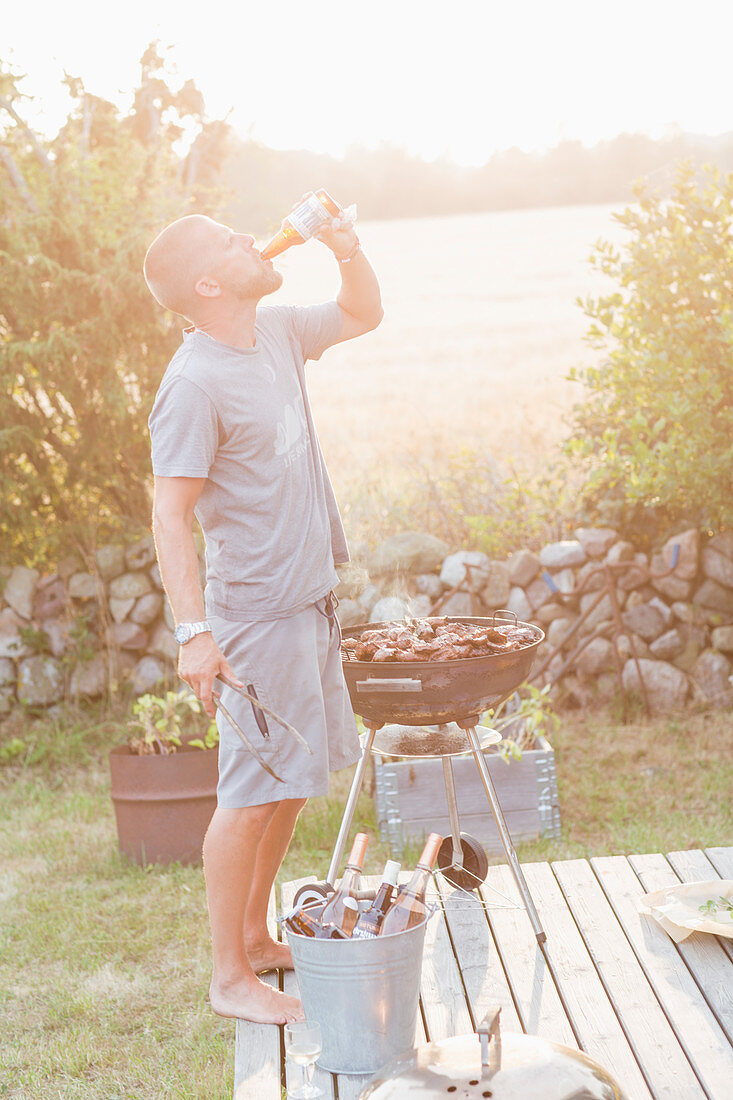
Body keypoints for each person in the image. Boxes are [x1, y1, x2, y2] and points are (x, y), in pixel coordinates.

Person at [142, 203, 383, 1025]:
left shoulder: (276, 330)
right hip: (253, 618)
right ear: (207, 282)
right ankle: (227, 979)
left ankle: (253, 935)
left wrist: (345, 249)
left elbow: (362, 313)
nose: (251, 237)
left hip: (309, 601)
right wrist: (193, 634)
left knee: (287, 786)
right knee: (248, 795)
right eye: (226, 240)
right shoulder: (192, 383)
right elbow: (170, 515)